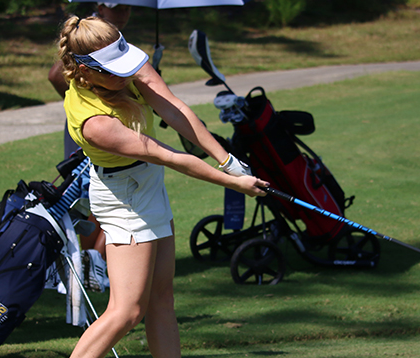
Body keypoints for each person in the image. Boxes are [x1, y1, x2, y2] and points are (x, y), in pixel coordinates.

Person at [58, 16, 269, 358]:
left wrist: (228, 160)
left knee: (161, 299)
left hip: (148, 183)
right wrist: (234, 182)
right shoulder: (94, 123)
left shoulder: (125, 67)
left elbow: (174, 110)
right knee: (126, 311)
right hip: (124, 198)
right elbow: (170, 156)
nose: (126, 74)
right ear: (86, 71)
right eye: (115, 71)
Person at [49, 2, 132, 258]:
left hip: (106, 127)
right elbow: (56, 75)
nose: (123, 13)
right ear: (101, 7)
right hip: (95, 128)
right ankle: (92, 262)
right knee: (93, 196)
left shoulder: (111, 36)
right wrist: (89, 102)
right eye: (117, 8)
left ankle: (93, 263)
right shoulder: (89, 35)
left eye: (127, 7)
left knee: (103, 198)